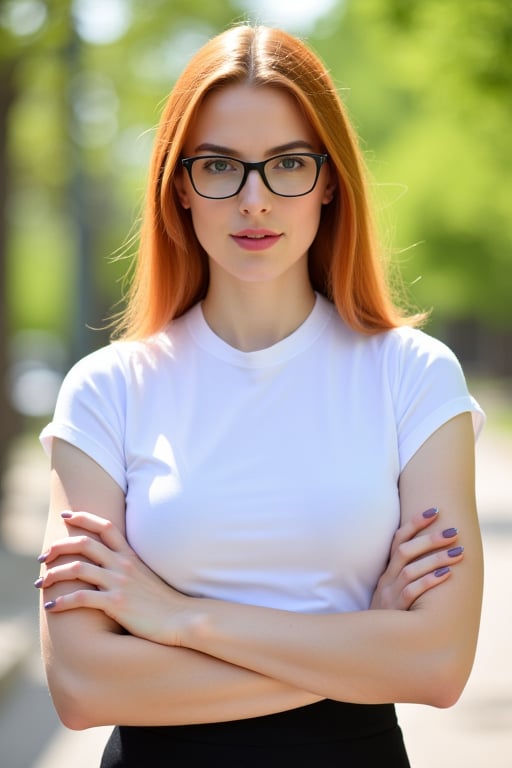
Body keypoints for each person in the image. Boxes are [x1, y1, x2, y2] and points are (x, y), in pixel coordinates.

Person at [36, 24, 485, 767]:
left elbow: (437, 665)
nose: (254, 201)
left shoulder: (414, 377)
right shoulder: (106, 391)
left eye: (288, 165)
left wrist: (180, 618)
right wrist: (361, 644)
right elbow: (83, 684)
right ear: (179, 184)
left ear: (331, 179)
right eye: (219, 166)